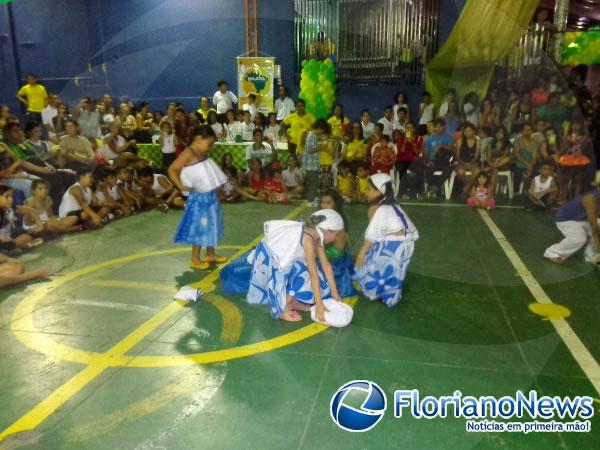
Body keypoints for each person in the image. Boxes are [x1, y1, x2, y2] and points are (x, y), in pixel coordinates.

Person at [247, 209, 345, 322]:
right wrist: (319, 305)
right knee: (300, 275)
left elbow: (326, 266)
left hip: (288, 259)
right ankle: (281, 310)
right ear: (328, 230)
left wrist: (334, 292)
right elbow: (312, 275)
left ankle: (292, 301)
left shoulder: (317, 235)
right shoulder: (307, 238)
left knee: (314, 275)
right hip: (274, 260)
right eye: (336, 234)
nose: (336, 238)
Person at [169, 125, 228, 271]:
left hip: (210, 197)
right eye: (209, 144)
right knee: (200, 226)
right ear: (198, 139)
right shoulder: (189, 153)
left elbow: (207, 174)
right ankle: (195, 259)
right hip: (199, 199)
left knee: (213, 224)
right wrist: (181, 186)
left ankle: (210, 253)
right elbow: (172, 169)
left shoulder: (202, 152)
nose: (211, 147)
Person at [355, 173, 418, 307]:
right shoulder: (395, 206)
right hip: (406, 245)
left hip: (392, 246)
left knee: (370, 264)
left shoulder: (376, 209)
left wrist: (361, 254)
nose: (365, 192)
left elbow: (373, 235)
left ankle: (375, 290)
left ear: (378, 191)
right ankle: (391, 294)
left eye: (368, 189)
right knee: (394, 270)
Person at [544, 171, 600, 265]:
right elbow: (593, 224)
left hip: (583, 218)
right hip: (567, 219)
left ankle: (592, 256)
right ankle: (552, 252)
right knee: (579, 239)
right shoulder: (591, 198)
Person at [320, 190, 356, 298]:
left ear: (335, 204)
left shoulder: (338, 221)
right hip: (328, 254)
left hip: (334, 261)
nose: (324, 206)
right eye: (322, 202)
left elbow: (337, 253)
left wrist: (316, 252)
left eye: (328, 202)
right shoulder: (322, 216)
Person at [0, 185, 42, 251]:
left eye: (11, 196)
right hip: (3, 241)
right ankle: (15, 248)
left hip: (9, 238)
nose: (11, 199)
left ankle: (15, 247)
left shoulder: (9, 209)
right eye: (7, 196)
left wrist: (40, 225)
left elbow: (32, 210)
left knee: (27, 236)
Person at [423, 118, 454, 198]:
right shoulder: (429, 139)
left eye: (441, 126)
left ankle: (434, 188)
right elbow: (426, 153)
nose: (438, 128)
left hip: (444, 161)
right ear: (434, 127)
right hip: (433, 160)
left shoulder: (449, 137)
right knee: (428, 170)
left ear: (444, 127)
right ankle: (435, 188)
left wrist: (441, 146)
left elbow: (452, 149)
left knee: (448, 170)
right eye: (436, 126)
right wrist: (428, 161)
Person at [303, 119, 330, 207]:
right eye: (322, 130)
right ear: (319, 128)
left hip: (313, 164)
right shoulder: (311, 136)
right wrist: (321, 147)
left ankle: (313, 198)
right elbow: (309, 150)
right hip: (310, 165)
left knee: (315, 182)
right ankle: (310, 201)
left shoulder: (314, 136)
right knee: (314, 183)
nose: (322, 132)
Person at [513, 122, 541, 194]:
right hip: (519, 162)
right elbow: (517, 155)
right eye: (525, 129)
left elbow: (534, 157)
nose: (527, 131)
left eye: (529, 130)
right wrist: (527, 164)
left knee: (536, 173)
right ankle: (516, 190)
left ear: (532, 131)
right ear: (522, 131)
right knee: (518, 172)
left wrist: (531, 165)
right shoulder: (517, 141)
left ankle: (531, 192)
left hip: (531, 163)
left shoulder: (535, 142)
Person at [454, 123, 481, 195]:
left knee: (477, 171)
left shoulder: (478, 141)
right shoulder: (460, 140)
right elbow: (457, 155)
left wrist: (470, 163)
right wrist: (464, 163)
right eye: (466, 131)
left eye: (469, 131)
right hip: (461, 162)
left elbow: (476, 156)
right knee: (460, 172)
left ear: (474, 131)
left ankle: (466, 188)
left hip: (473, 162)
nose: (467, 133)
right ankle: (469, 187)